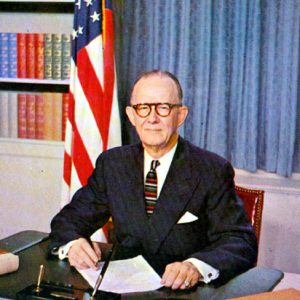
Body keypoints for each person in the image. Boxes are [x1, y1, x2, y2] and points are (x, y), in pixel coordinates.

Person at [50, 70, 257, 290]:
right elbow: (68, 221)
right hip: (123, 290)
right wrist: (74, 244)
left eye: (163, 108)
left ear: (181, 115)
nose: (152, 118)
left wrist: (195, 266)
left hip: (182, 292)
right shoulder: (113, 164)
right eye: (143, 108)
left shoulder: (211, 169)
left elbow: (239, 241)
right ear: (131, 115)